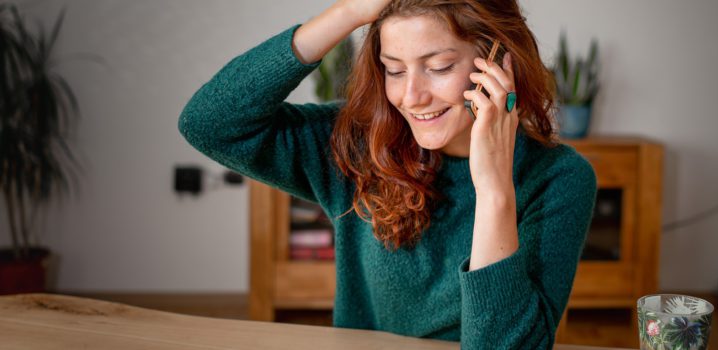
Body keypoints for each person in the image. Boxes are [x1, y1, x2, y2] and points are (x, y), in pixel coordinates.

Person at [179, 0, 597, 348]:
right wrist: (348, 13)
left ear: (497, 63)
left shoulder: (560, 178)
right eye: (394, 70)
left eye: (438, 66)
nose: (411, 96)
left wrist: (493, 191)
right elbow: (209, 123)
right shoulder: (359, 144)